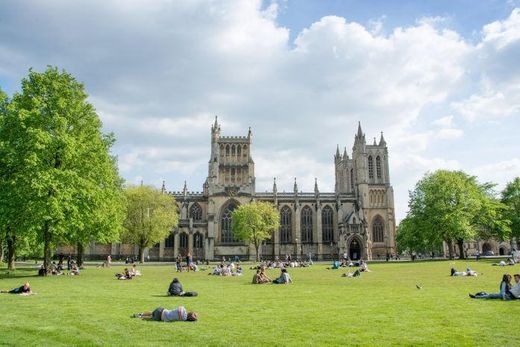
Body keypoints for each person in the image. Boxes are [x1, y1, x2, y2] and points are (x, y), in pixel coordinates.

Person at [132, 306, 198, 322]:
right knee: (151, 317)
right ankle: (140, 317)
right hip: (161, 317)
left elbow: (180, 307)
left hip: (162, 310)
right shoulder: (183, 319)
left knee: (152, 313)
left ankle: (140, 314)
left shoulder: (183, 309)